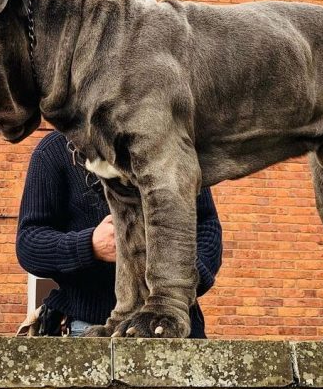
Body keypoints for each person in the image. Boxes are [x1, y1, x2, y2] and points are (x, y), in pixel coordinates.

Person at [16, 131, 223, 338]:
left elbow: (207, 226)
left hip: (172, 325)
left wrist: (183, 275)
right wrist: (90, 245)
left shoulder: (173, 144)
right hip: (89, 327)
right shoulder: (55, 149)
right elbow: (29, 242)